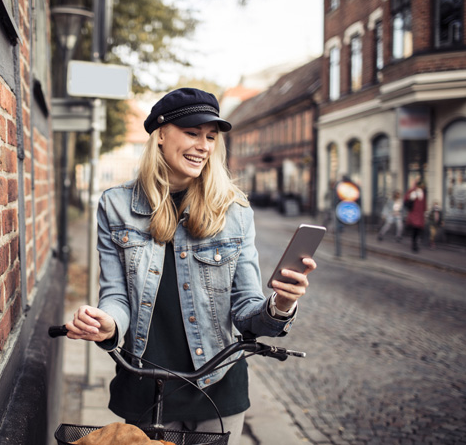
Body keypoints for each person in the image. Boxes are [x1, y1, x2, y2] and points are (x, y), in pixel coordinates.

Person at [65, 88, 317, 445]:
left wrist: (281, 305)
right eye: (192, 132)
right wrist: (107, 324)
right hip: (142, 384)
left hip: (217, 389)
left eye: (211, 137)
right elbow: (116, 296)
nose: (203, 145)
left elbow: (247, 312)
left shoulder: (235, 212)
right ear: (161, 135)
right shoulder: (116, 206)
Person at [404, 179, 427, 252]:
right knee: (415, 229)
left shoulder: (422, 192)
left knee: (418, 229)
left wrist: (425, 211)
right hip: (414, 213)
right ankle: (414, 245)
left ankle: (415, 243)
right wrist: (411, 197)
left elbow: (423, 203)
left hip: (420, 214)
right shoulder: (412, 191)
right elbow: (406, 199)